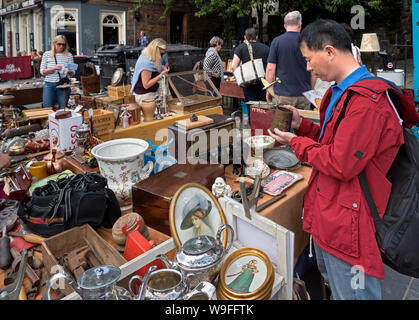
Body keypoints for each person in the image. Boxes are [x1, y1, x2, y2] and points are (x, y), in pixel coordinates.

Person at [267, 19, 417, 300]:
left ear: (329, 52)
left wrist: (295, 142)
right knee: (337, 287)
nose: (308, 67)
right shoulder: (342, 92)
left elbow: (340, 162)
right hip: (333, 212)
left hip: (350, 223)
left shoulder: (365, 102)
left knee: (353, 293)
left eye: (309, 59)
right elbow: (334, 141)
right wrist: (302, 125)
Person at [265, 11, 313, 110]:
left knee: (281, 124)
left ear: (285, 25)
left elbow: (270, 69)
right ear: (300, 25)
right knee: (303, 124)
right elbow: (314, 70)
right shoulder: (308, 42)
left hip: (282, 95)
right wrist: (311, 90)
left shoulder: (276, 42)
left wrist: (268, 90)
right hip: (303, 94)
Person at [231, 27, 270, 102]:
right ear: (257, 37)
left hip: (249, 83)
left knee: (251, 108)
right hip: (263, 83)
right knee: (263, 108)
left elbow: (233, 67)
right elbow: (270, 67)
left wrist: (239, 79)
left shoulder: (240, 48)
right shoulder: (266, 48)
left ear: (245, 37)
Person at [130, 38, 170, 105]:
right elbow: (146, 85)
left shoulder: (148, 56)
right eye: (161, 53)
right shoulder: (146, 62)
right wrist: (161, 75)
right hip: (145, 96)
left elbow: (156, 65)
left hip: (149, 94)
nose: (162, 56)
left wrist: (162, 67)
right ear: (155, 51)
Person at [40, 35, 75, 109]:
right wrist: (54, 68)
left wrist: (68, 71)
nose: (61, 46)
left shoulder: (69, 55)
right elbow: (42, 71)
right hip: (49, 84)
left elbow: (73, 73)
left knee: (63, 109)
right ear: (54, 44)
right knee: (47, 109)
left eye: (64, 44)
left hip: (64, 85)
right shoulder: (47, 54)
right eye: (59, 44)